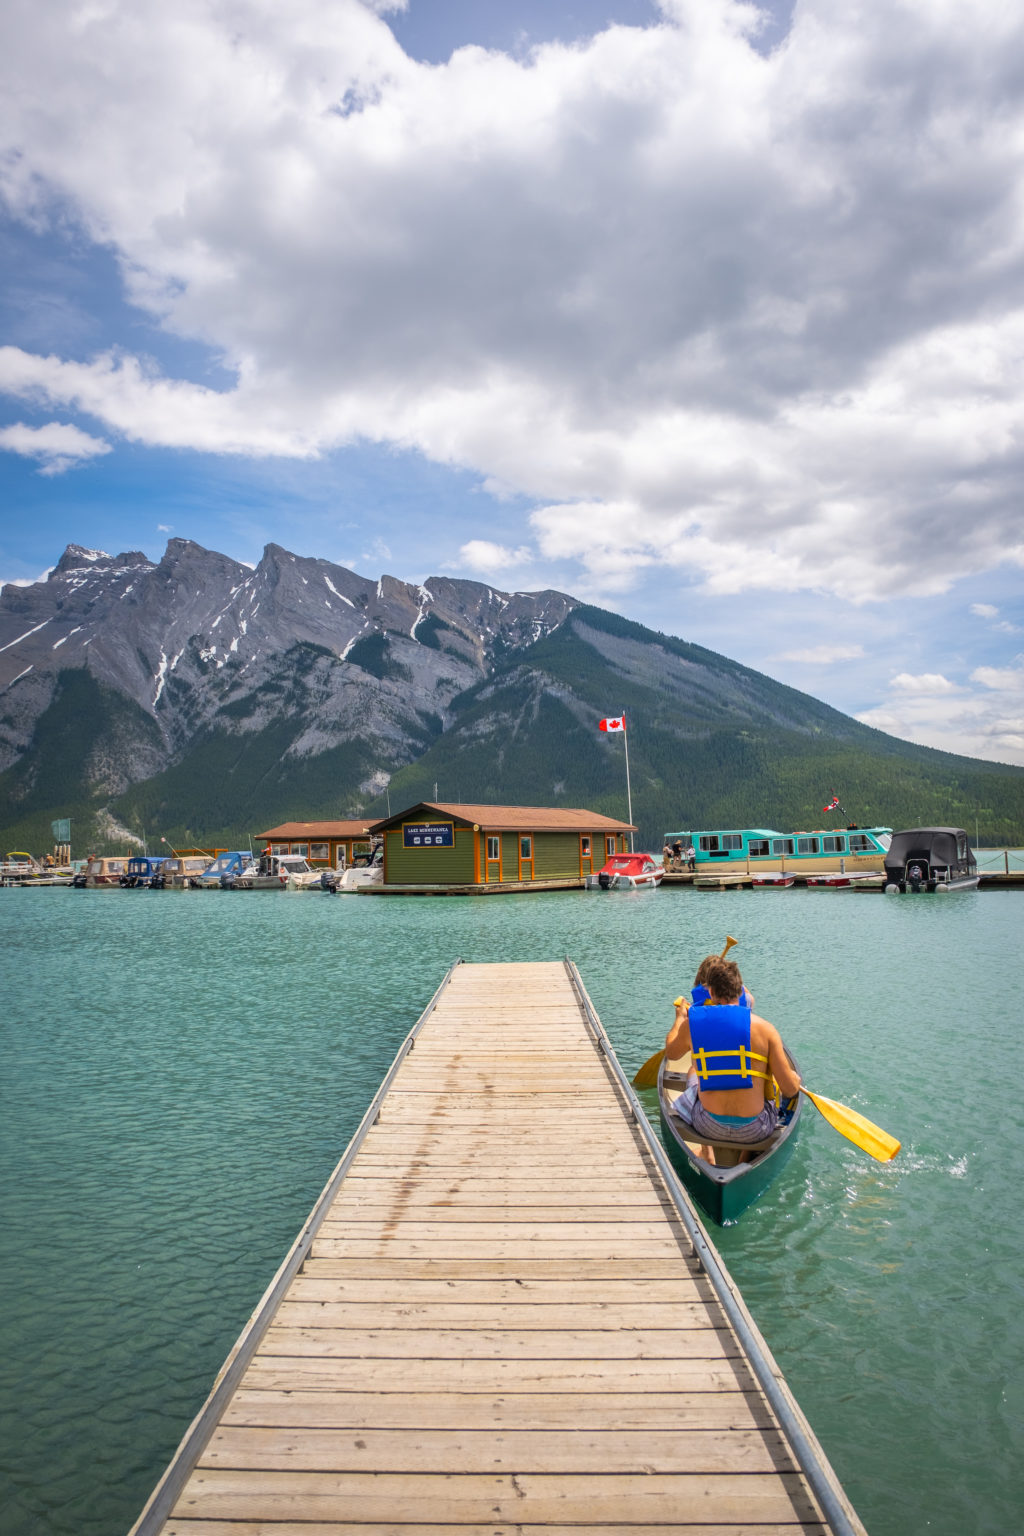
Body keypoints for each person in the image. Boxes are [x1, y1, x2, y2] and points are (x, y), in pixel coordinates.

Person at [664, 956, 801, 1162]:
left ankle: (707, 1153)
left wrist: (679, 1019)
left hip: (707, 1125)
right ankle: (745, 1160)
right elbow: (790, 1090)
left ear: (710, 992)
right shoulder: (766, 1030)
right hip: (755, 1129)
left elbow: (672, 1054)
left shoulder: (693, 1022)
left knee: (694, 1075)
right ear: (741, 991)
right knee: (770, 1086)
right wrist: (794, 1079)